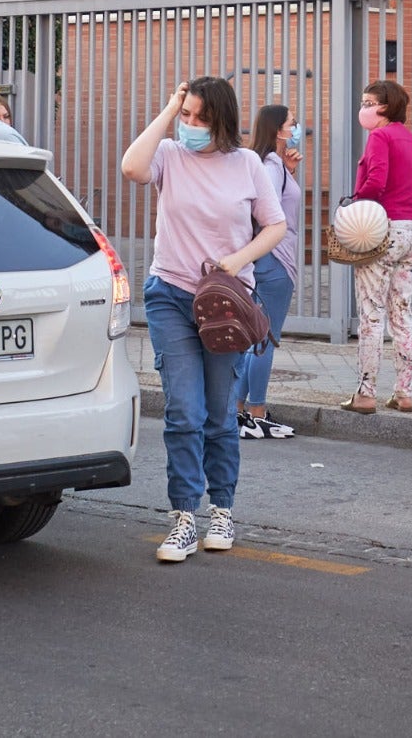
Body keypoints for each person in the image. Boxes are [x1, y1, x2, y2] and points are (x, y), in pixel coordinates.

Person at [121, 78, 286, 563]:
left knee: (217, 414)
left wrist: (238, 260)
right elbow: (132, 166)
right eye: (186, 115)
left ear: (222, 121)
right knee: (183, 411)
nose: (191, 126)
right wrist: (169, 106)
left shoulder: (248, 164)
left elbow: (275, 225)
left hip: (226, 303)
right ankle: (183, 517)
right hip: (170, 295)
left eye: (199, 117)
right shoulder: (170, 154)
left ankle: (222, 509)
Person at [342, 80, 412, 415]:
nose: (365, 108)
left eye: (370, 102)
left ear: (387, 107)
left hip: (381, 231)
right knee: (402, 312)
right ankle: (404, 393)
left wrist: (356, 206)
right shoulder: (411, 139)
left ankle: (366, 394)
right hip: (411, 230)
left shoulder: (380, 137)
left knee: (371, 315)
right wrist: (402, 199)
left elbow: (375, 181)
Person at [234, 104, 303, 440]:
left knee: (256, 339)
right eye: (292, 123)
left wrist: (290, 171)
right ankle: (258, 412)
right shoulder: (271, 166)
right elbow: (270, 215)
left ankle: (238, 411)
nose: (296, 127)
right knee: (265, 339)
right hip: (275, 260)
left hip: (265, 259)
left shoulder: (270, 164)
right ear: (278, 130)